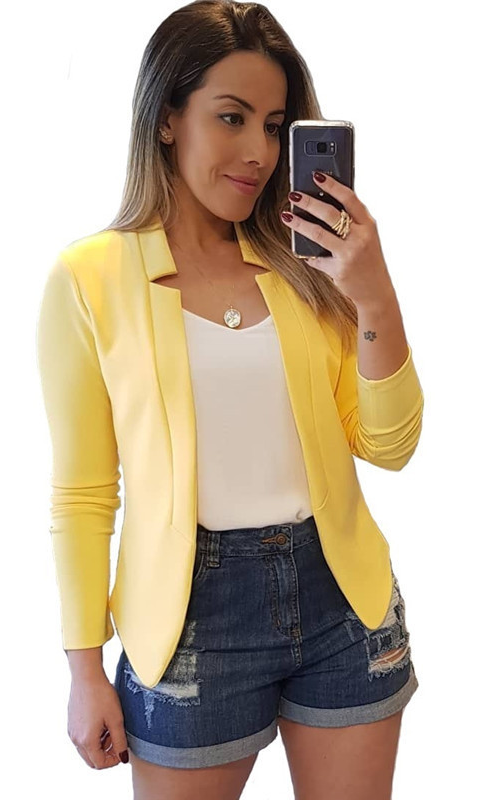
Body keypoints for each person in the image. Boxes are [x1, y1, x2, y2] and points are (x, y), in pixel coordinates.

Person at [35, 1, 425, 797]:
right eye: (232, 117)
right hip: (187, 619)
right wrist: (84, 669)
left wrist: (373, 294)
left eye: (275, 126)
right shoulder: (90, 280)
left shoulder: (306, 267)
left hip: (342, 602)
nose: (259, 152)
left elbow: (389, 446)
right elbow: (83, 493)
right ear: (167, 118)